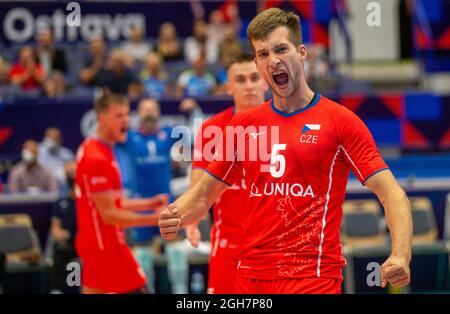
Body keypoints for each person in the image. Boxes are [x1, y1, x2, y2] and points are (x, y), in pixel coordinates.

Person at [159, 8, 412, 294]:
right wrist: (176, 213)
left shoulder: (340, 121)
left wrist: (400, 254)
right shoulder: (243, 125)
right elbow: (204, 193)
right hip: (250, 279)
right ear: (257, 62)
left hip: (312, 278)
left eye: (281, 49)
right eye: (263, 54)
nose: (274, 60)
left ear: (302, 52)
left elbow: (392, 194)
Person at [185, 52, 267, 294]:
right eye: (240, 80)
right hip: (229, 248)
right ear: (228, 87)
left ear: (265, 81)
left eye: (254, 77)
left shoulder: (285, 125)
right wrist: (190, 216)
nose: (249, 86)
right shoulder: (212, 129)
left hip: (275, 248)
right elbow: (198, 186)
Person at [75, 94, 168, 294]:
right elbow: (109, 214)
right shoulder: (96, 157)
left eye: (126, 115)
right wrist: (154, 219)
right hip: (104, 245)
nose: (125, 121)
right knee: (139, 288)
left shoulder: (101, 148)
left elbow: (113, 202)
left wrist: (148, 204)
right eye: (118, 116)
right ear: (101, 118)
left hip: (95, 242)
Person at [115, 98, 178, 292]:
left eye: (152, 110)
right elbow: (108, 134)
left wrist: (194, 110)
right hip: (141, 203)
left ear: (159, 113)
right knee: (142, 253)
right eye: (145, 110)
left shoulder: (167, 134)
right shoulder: (129, 138)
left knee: (176, 250)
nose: (149, 114)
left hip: (166, 202)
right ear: (138, 114)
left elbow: (197, 135)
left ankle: (182, 293)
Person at [50, 161, 78, 294]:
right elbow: (56, 232)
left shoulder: (88, 203)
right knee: (60, 249)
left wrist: (70, 234)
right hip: (68, 246)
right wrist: (72, 235)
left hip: (86, 244)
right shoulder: (60, 203)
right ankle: (56, 289)